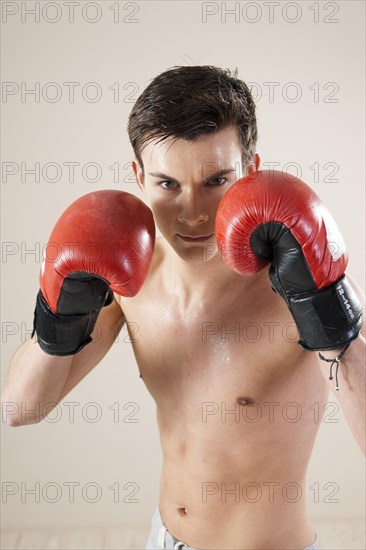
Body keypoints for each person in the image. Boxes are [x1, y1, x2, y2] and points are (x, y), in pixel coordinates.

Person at [1, 65, 365, 550]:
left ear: (251, 171)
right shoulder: (129, 279)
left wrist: (327, 310)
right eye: (168, 184)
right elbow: (21, 408)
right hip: (164, 538)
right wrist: (56, 313)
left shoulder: (294, 287)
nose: (191, 212)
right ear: (138, 177)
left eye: (215, 180)